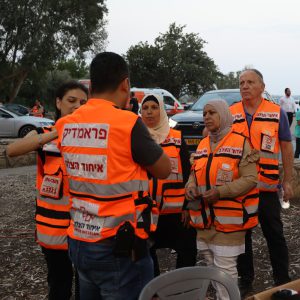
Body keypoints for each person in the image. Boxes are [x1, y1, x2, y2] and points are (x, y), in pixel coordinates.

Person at [55, 52, 171, 300]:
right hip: (118, 245)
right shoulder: (126, 122)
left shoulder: (67, 124)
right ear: (125, 84)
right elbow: (163, 170)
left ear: (91, 84)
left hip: (79, 238)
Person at [6, 81, 88, 300]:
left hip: (84, 226)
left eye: (83, 103)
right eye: (71, 101)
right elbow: (12, 151)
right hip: (51, 227)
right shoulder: (42, 132)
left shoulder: (92, 137)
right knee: (59, 283)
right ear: (58, 102)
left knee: (85, 285)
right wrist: (55, 133)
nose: (77, 106)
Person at [186, 99, 259, 300]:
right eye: (204, 113)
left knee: (225, 271)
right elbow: (194, 174)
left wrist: (221, 192)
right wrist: (190, 187)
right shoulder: (202, 144)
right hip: (204, 221)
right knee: (211, 267)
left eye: (212, 113)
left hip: (229, 223)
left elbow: (251, 178)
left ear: (224, 115)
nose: (207, 117)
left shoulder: (241, 142)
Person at [231, 69, 293, 293]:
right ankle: (245, 278)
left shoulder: (277, 113)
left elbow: (286, 147)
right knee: (241, 237)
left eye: (250, 82)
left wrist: (288, 181)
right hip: (239, 189)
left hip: (266, 188)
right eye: (241, 82)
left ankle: (282, 280)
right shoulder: (231, 113)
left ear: (262, 87)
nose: (245, 86)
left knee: (275, 235)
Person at [140, 93, 197, 276]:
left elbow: (188, 173)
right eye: (145, 108)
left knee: (188, 249)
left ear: (162, 111)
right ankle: (154, 290)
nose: (149, 112)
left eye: (154, 107)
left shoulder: (177, 137)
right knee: (145, 252)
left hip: (176, 211)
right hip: (147, 210)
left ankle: (181, 289)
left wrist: (188, 206)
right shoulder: (136, 138)